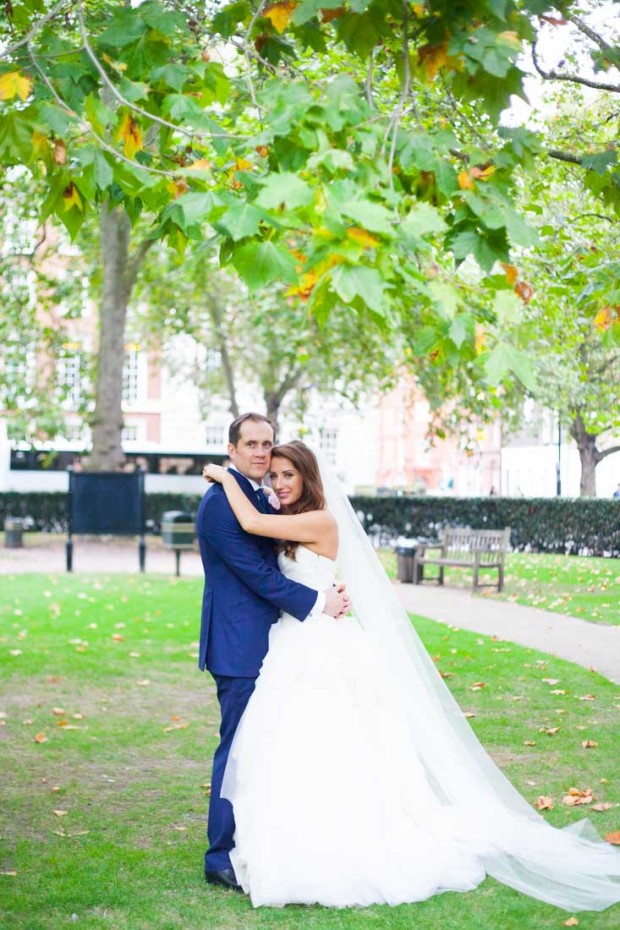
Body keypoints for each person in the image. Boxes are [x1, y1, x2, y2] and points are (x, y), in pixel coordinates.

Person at [203, 440, 620, 912]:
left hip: (319, 644)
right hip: (293, 640)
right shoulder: (291, 520)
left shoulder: (319, 519)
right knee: (287, 745)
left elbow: (253, 523)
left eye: (287, 476)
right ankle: (283, 838)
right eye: (273, 475)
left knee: (330, 743)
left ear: (307, 478)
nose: (278, 483)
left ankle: (336, 843)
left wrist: (225, 475)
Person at [196, 415, 350, 892]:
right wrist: (317, 600)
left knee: (273, 748)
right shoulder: (222, 504)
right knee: (238, 749)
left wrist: (328, 588)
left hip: (281, 642)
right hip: (241, 644)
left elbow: (285, 554)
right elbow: (256, 574)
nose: (262, 454)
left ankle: (265, 837)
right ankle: (220, 855)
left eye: (268, 444)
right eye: (252, 445)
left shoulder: (261, 499)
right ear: (232, 449)